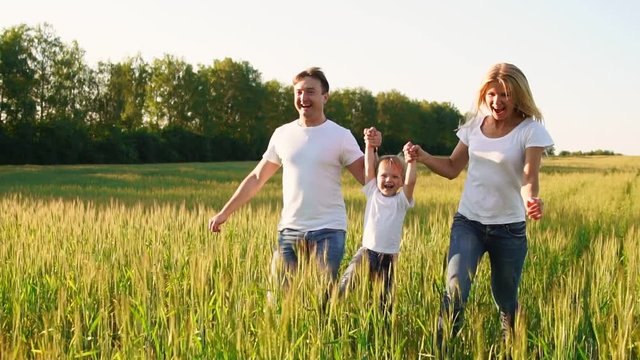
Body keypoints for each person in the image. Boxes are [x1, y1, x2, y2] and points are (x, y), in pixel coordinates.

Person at [404, 63, 553, 342]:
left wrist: (532, 199)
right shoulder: (474, 125)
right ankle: (442, 351)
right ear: (484, 94)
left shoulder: (530, 131)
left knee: (506, 300)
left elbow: (528, 177)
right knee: (454, 292)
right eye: (492, 94)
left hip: (508, 229)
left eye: (505, 95)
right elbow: (451, 168)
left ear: (518, 95)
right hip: (468, 223)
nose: (497, 102)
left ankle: (515, 351)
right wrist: (423, 157)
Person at [208, 67, 382, 293]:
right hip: (289, 232)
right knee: (279, 301)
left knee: (319, 303)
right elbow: (257, 177)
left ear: (324, 97)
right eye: (298, 92)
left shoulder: (340, 136)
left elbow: (369, 180)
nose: (303, 98)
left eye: (310, 92)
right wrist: (225, 212)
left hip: (328, 232)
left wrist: (373, 148)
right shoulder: (282, 134)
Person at [338, 128, 416, 313]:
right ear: (376, 177)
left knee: (384, 304)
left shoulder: (401, 201)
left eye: (395, 177)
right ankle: (332, 315)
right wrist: (369, 146)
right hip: (366, 253)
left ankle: (382, 330)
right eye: (384, 175)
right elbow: (368, 166)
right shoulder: (372, 191)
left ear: (401, 180)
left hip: (389, 258)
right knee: (344, 287)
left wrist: (411, 161)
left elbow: (411, 182)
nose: (389, 180)